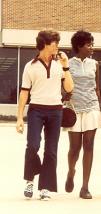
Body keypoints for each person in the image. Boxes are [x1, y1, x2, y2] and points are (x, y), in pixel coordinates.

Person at [16, 29, 74, 200]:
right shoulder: (30, 66)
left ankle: (46, 188)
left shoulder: (59, 66)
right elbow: (24, 93)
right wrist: (19, 117)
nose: (57, 45)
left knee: (51, 150)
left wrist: (66, 66)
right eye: (54, 42)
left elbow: (69, 88)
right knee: (33, 146)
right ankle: (30, 180)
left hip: (56, 111)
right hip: (36, 110)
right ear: (44, 45)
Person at [64, 30, 101, 199]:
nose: (92, 47)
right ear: (79, 46)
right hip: (73, 109)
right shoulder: (67, 64)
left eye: (92, 44)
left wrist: (100, 110)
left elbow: (97, 88)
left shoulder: (95, 64)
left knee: (89, 145)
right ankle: (71, 171)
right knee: (74, 148)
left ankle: (85, 187)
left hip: (92, 107)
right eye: (89, 44)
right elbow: (63, 86)